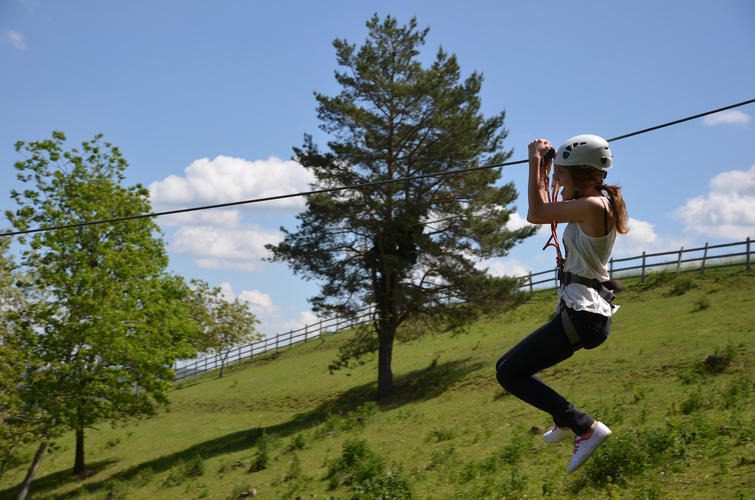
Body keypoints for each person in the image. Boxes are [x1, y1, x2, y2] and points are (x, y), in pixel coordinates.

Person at [495, 134, 629, 474]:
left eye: (561, 175)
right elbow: (548, 204)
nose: (557, 180)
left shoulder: (593, 206)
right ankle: (566, 419)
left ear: (579, 176)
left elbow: (537, 212)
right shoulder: (594, 202)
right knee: (511, 366)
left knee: (509, 372)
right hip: (582, 315)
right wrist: (544, 169)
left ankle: (584, 426)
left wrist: (533, 161)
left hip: (584, 315)